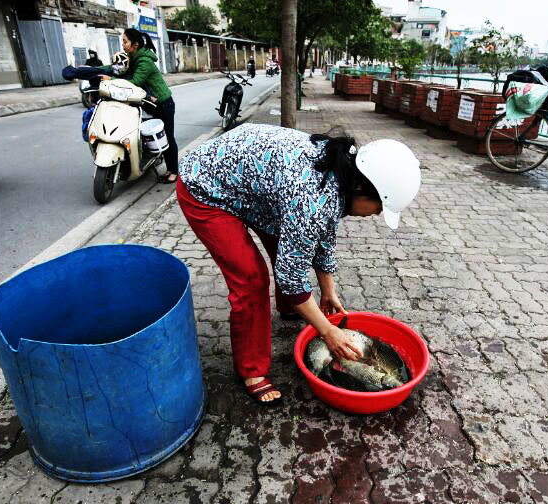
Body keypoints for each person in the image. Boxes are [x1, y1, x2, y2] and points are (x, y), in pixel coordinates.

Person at [177, 124, 421, 405]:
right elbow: (292, 276)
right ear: (362, 188)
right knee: (252, 280)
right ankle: (252, 370)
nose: (377, 214)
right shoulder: (311, 200)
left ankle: (291, 309)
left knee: (293, 245)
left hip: (256, 186)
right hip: (206, 186)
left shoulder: (341, 172)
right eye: (379, 207)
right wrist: (327, 330)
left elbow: (323, 233)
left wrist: (328, 290)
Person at [100, 29, 178, 184]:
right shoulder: (133, 57)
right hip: (149, 103)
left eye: (125, 41)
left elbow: (135, 82)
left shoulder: (144, 61)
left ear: (134, 45)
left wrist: (112, 79)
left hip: (163, 104)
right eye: (123, 41)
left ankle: (173, 171)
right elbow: (118, 67)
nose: (123, 44)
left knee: (167, 138)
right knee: (141, 133)